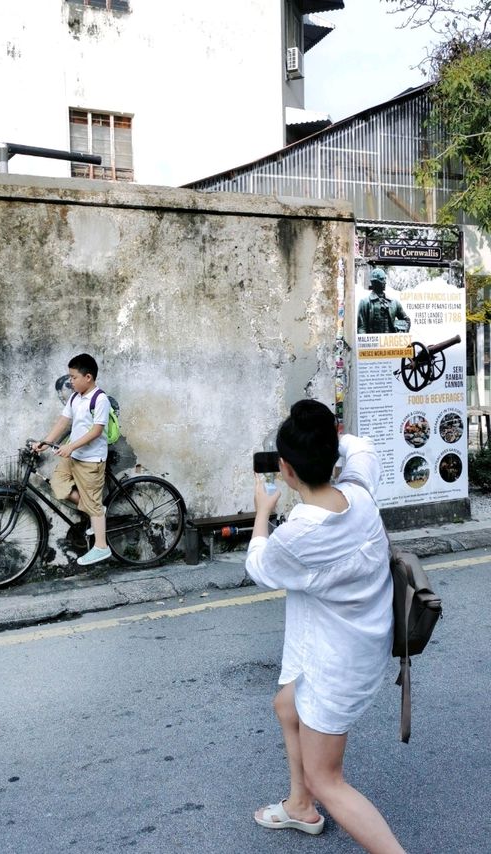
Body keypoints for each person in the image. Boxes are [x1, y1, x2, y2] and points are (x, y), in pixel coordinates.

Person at [245, 400, 405, 854]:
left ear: (285, 470)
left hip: (337, 666)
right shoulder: (359, 490)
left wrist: (262, 512)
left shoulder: (299, 534)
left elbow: (260, 566)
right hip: (361, 642)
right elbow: (362, 445)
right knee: (285, 705)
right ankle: (299, 806)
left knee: (328, 779)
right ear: (334, 457)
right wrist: (327, 435)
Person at [33, 353, 111, 567]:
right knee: (59, 487)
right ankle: (96, 511)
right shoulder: (75, 397)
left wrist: (71, 446)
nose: (70, 381)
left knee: (93, 505)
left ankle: (101, 547)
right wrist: (46, 442)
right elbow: (63, 422)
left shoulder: (99, 399)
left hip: (91, 460)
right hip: (73, 456)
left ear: (88, 377)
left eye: (74, 377)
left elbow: (96, 431)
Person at [357, 268, 411, 334]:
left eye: (385, 279)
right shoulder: (364, 302)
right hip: (373, 342)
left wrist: (402, 334)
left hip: (391, 342)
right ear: (374, 282)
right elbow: (361, 327)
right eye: (382, 279)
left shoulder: (394, 302)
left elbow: (406, 320)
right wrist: (365, 342)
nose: (385, 282)